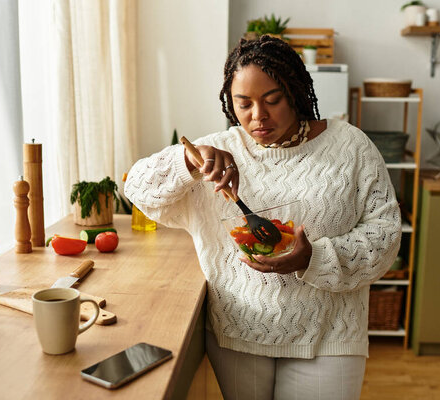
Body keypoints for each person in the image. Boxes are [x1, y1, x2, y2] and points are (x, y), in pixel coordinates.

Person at [125, 35, 401, 400]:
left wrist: (313, 258)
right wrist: (187, 162)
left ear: (297, 92)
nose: (258, 116)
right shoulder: (217, 154)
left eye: (273, 100)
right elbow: (137, 188)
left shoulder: (350, 147)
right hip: (238, 332)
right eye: (244, 104)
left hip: (330, 333)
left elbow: (385, 236)